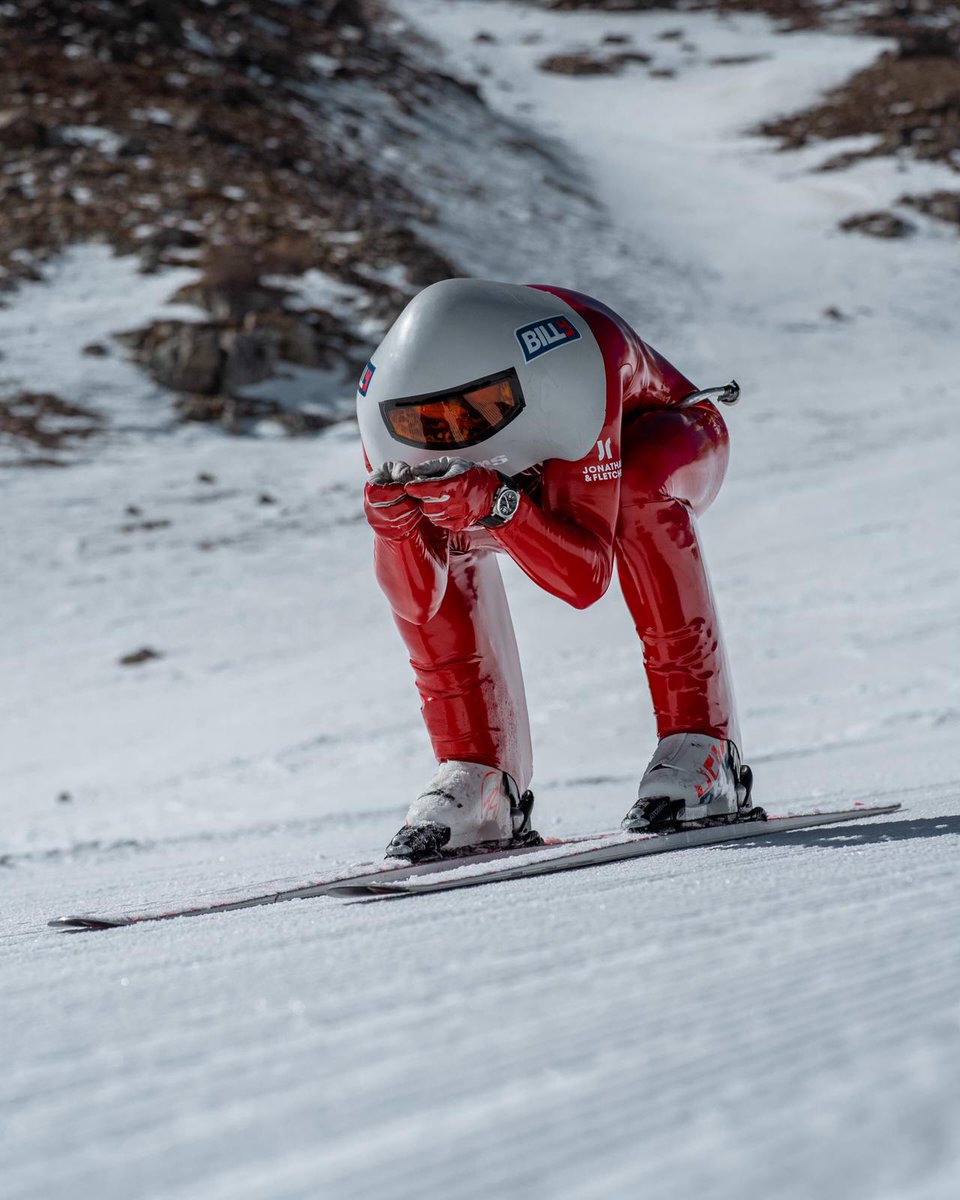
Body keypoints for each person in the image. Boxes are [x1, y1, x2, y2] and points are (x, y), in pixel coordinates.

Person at [357, 278, 753, 862]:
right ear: (395, 414)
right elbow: (418, 601)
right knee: (434, 516)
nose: (451, 435)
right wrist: (398, 535)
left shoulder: (568, 372)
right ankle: (480, 775)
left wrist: (500, 506)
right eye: (427, 425)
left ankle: (707, 744)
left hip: (661, 432)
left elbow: (584, 578)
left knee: (642, 486)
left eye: (474, 414)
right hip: (539, 451)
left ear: (515, 388)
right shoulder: (379, 417)